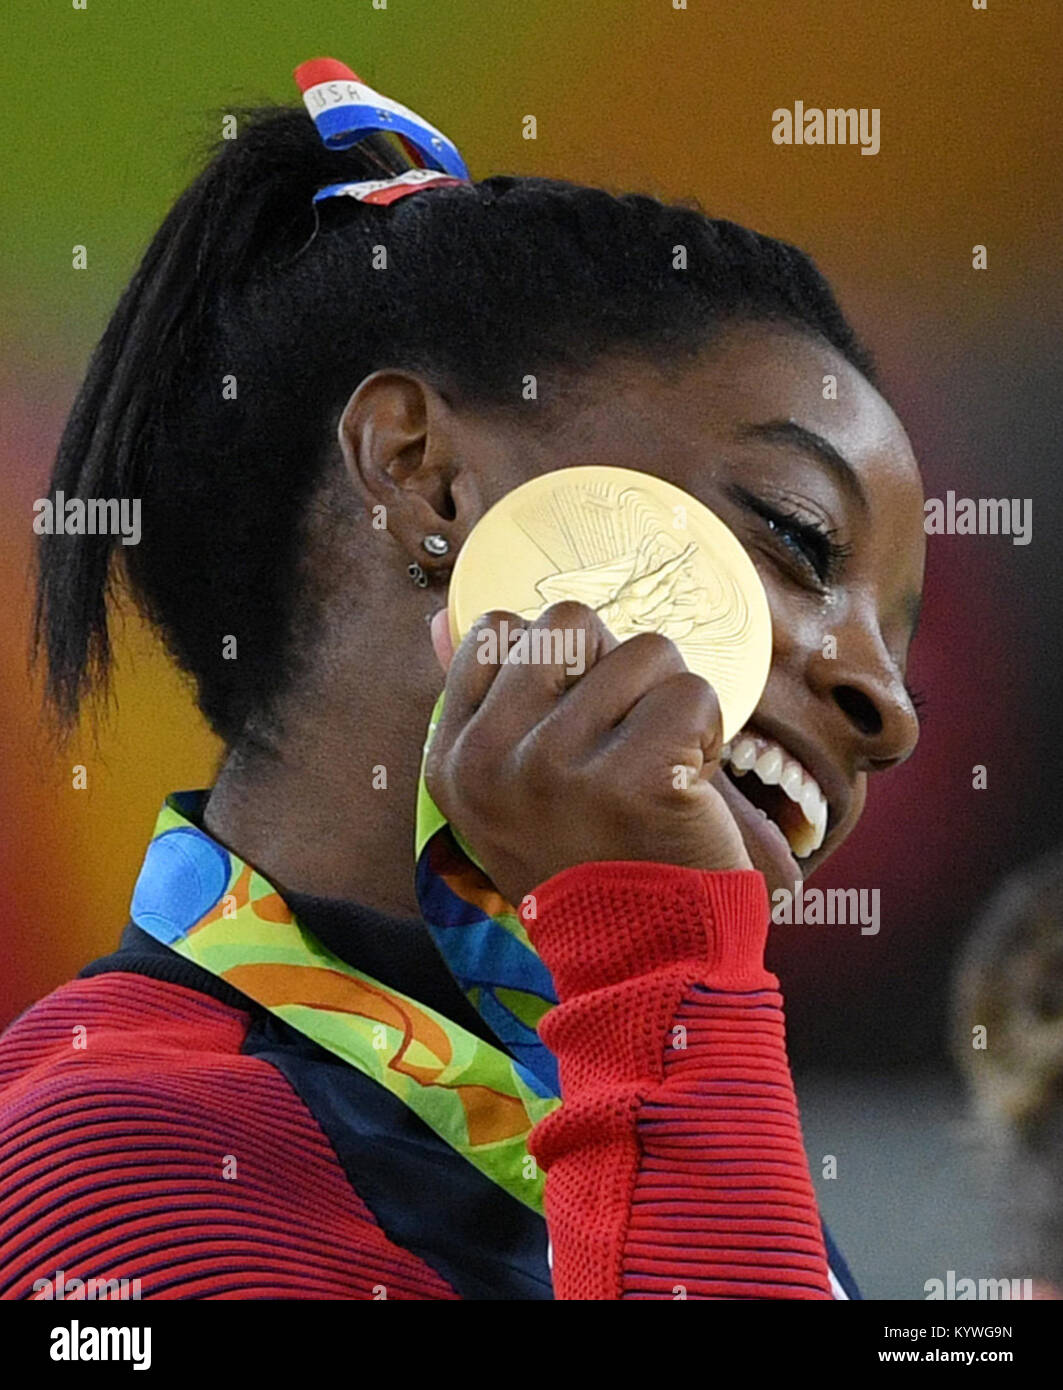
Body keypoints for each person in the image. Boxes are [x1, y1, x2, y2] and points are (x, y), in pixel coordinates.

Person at [0, 58, 925, 1300]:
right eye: (797, 537)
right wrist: (658, 962)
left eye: (898, 635)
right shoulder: (106, 1164)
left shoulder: (656, 1096)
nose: (892, 710)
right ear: (429, 477)